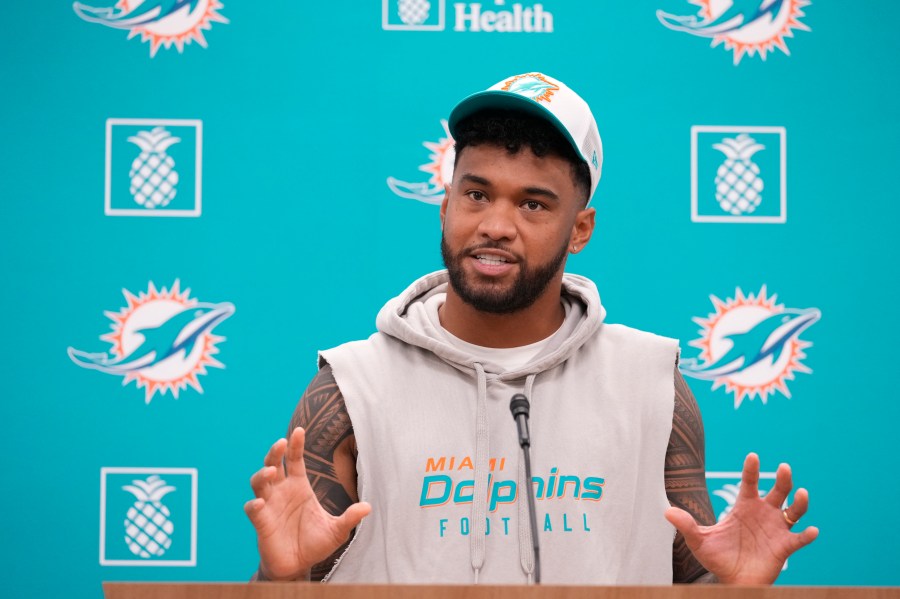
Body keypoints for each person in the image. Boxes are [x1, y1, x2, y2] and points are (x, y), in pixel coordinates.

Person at [244, 72, 818, 585]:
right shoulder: (350, 388)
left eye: (534, 205)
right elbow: (292, 581)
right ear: (444, 206)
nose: (496, 225)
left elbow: (695, 583)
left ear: (580, 229)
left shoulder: (651, 385)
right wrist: (279, 578)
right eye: (476, 194)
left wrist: (737, 589)